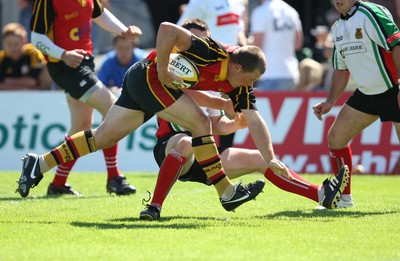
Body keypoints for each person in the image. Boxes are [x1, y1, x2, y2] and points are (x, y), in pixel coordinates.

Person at [139, 18, 350, 220]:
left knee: (261, 159)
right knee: (185, 142)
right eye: (192, 41)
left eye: (202, 41)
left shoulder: (216, 80)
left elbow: (217, 126)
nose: (195, 47)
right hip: (171, 147)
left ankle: (322, 194)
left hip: (205, 156)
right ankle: (154, 207)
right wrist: (222, 104)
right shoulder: (170, 71)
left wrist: (235, 126)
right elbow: (187, 96)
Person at [24, 0, 142, 196]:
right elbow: (36, 38)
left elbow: (99, 14)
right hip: (66, 66)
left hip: (83, 62)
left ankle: (58, 183)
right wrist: (63, 54)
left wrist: (123, 31)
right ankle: (114, 177)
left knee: (81, 126)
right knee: (112, 107)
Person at [313, 0, 400, 208]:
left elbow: (397, 45)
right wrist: (330, 101)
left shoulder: (372, 13)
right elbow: (341, 69)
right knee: (336, 138)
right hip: (367, 93)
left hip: (394, 88)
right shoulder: (338, 27)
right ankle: (343, 198)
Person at [177, 0, 249, 148]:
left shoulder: (237, 3)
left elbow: (238, 31)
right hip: (205, 68)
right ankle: (185, 148)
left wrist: (246, 52)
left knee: (232, 111)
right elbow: (178, 30)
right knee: (200, 113)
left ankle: (224, 153)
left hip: (231, 69)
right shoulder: (200, 2)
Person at [250, 0, 303, 91]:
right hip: (291, 74)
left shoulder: (260, 12)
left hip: (269, 74)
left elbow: (257, 47)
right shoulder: (291, 11)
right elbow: (298, 44)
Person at [0, 22, 51, 90]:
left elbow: (32, 82)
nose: (12, 48)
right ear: (3, 44)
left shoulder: (34, 54)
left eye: (16, 44)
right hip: (9, 95)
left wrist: (8, 81)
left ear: (24, 41)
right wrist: (24, 87)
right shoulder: (1, 58)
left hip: (35, 94)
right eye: (9, 44)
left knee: (49, 63)